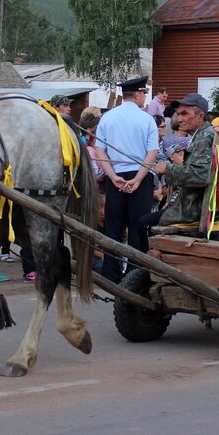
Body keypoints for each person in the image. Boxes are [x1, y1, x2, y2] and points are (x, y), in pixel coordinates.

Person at [143, 92, 219, 242]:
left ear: (200, 116)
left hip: (198, 210)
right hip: (195, 205)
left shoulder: (204, 138)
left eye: (184, 114)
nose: (179, 119)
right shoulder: (201, 135)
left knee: (141, 225)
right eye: (178, 114)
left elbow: (201, 176)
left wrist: (168, 168)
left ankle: (141, 265)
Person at [93, 76, 159, 282]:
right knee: (138, 228)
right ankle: (135, 276)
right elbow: (152, 153)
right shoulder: (147, 119)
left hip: (115, 177)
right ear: (138, 95)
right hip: (140, 177)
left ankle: (111, 275)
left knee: (113, 228)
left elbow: (99, 150)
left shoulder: (107, 117)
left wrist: (113, 176)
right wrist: (139, 179)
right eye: (144, 95)